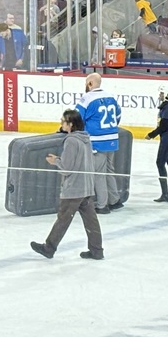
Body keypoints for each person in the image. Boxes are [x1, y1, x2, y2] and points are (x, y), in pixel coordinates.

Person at [29, 109, 104, 261]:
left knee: (63, 219)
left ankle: (49, 248)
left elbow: (67, 167)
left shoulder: (71, 140)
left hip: (74, 189)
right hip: (87, 187)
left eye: (63, 121)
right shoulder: (85, 138)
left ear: (70, 124)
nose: (61, 123)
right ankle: (97, 250)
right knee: (91, 220)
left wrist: (55, 161)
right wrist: (59, 159)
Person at [76, 72, 121, 214]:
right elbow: (118, 115)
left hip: (97, 141)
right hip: (112, 139)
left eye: (86, 83)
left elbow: (77, 118)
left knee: (98, 173)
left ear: (90, 84)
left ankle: (102, 205)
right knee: (109, 169)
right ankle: (114, 200)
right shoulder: (111, 96)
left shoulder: (87, 98)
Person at [146, 88, 168, 203]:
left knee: (160, 163)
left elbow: (164, 125)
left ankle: (166, 194)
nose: (159, 95)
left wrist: (152, 134)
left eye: (162, 93)